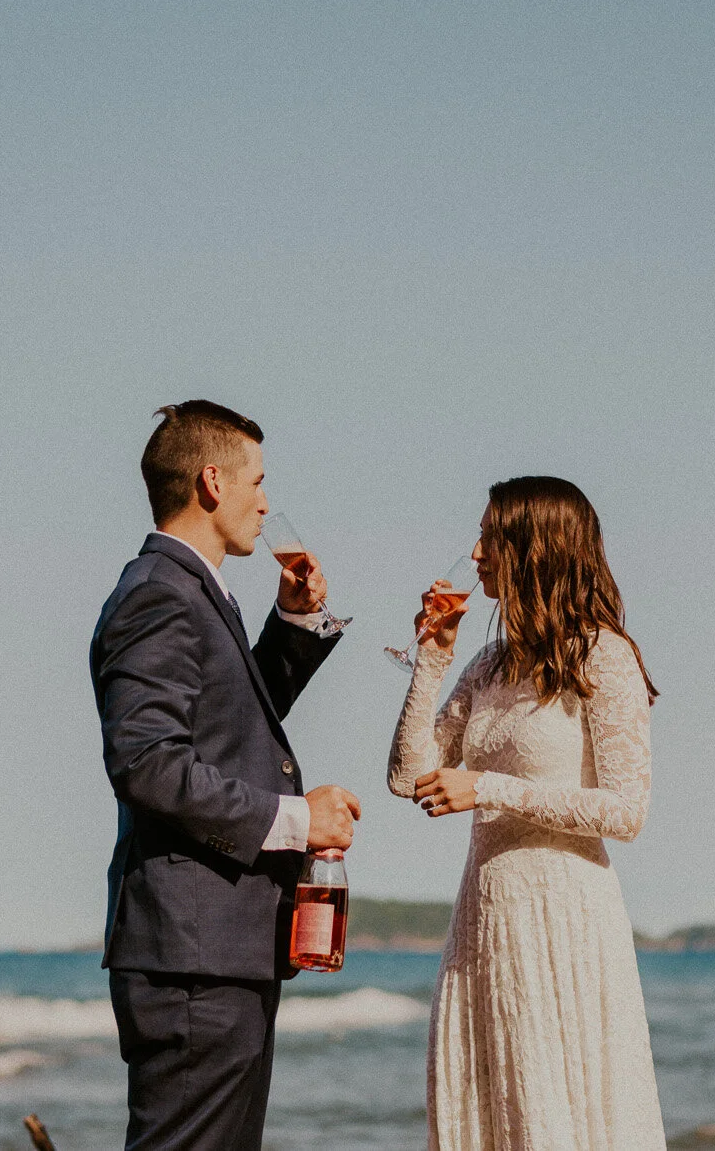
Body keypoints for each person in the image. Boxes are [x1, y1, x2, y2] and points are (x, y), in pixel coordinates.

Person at [91, 400, 361, 1151]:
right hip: (192, 962)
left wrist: (292, 626)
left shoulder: (194, 592)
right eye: (258, 480)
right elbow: (146, 761)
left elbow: (224, 729)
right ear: (213, 481)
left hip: (215, 956)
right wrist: (300, 819)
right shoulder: (160, 591)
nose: (267, 501)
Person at [387, 475, 665, 1150]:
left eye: (490, 536)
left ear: (533, 546)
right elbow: (407, 775)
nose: (476, 552)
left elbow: (627, 812)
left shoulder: (604, 655)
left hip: (562, 917)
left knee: (557, 1115)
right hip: (484, 920)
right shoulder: (489, 663)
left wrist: (489, 788)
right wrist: (431, 657)